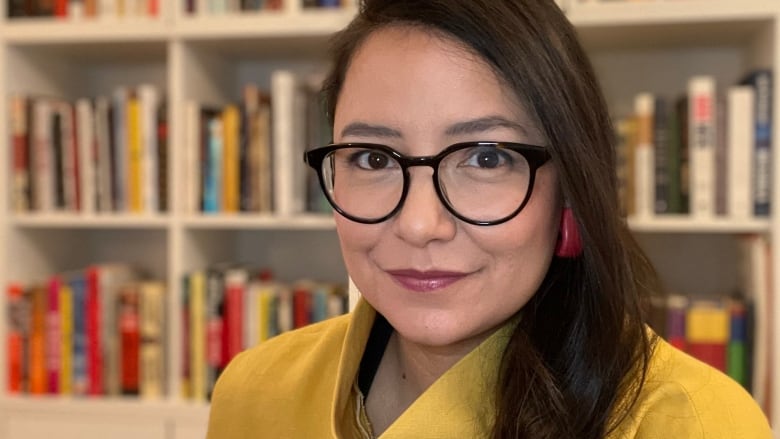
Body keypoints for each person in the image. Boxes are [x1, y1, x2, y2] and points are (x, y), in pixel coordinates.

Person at [206, 1, 773, 437]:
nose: (419, 224)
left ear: (571, 190)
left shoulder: (689, 422)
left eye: (486, 157)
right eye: (373, 158)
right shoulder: (255, 393)